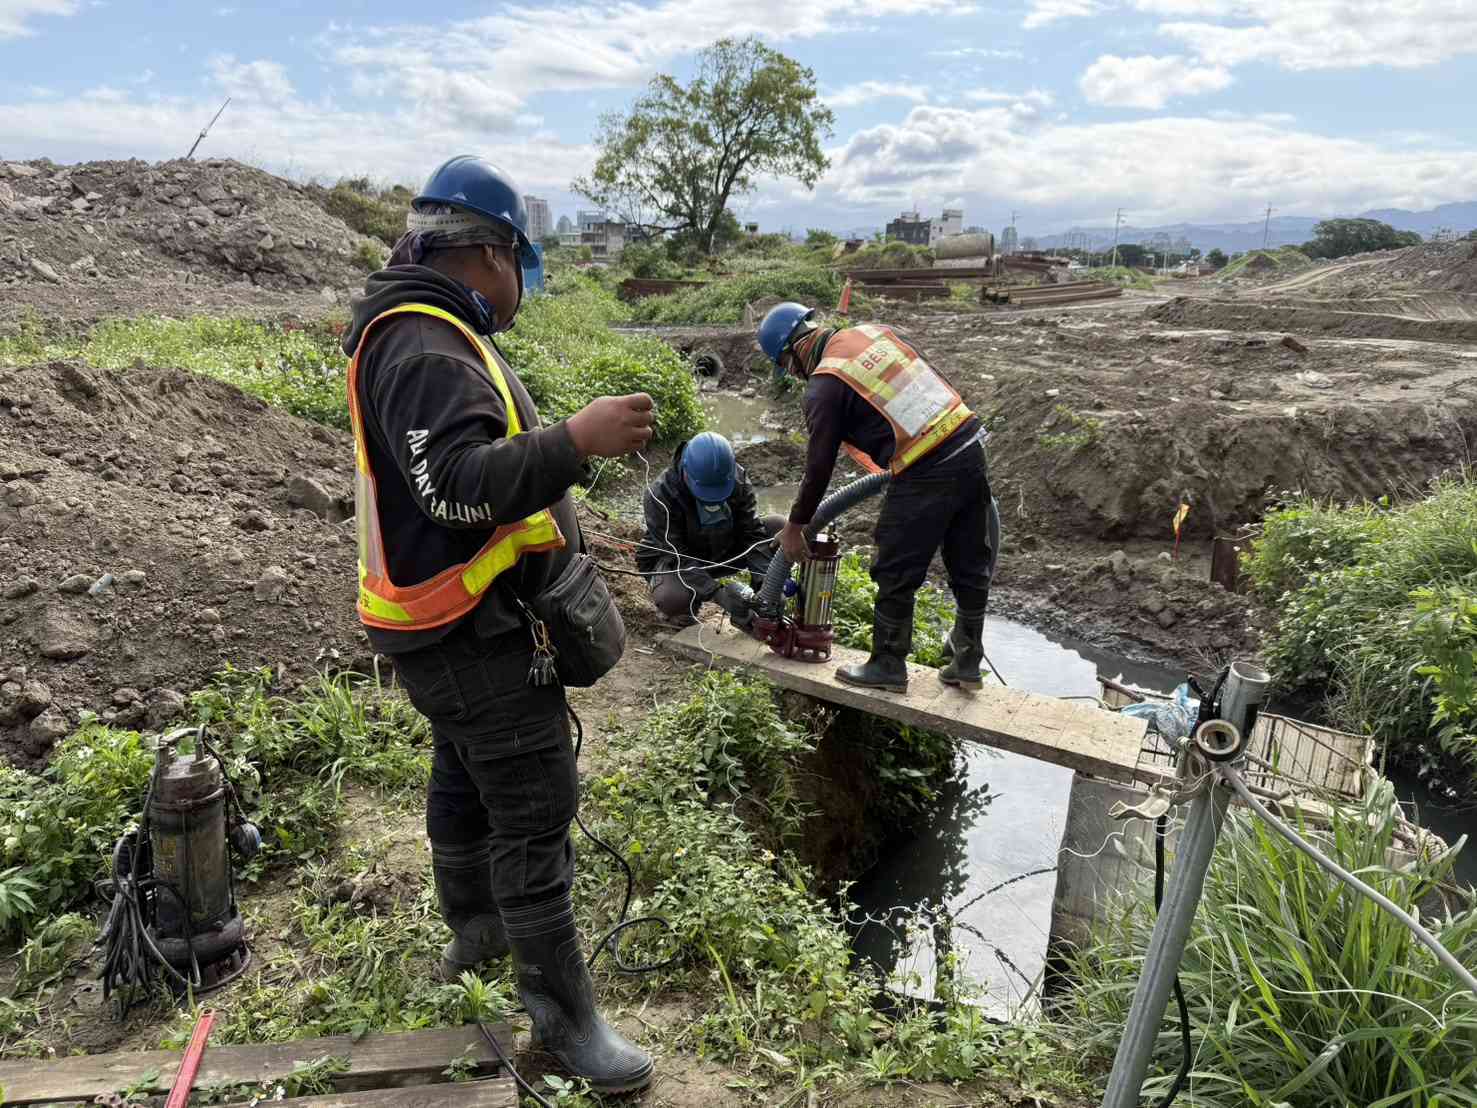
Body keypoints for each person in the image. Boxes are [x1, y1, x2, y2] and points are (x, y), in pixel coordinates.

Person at [342, 155, 653, 1094]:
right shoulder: (428, 346)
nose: (522, 280)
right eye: (519, 259)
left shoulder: (415, 333)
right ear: (485, 253)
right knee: (532, 811)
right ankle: (565, 1028)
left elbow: (457, 465)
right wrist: (573, 441)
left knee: (464, 780)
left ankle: (473, 935)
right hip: (471, 628)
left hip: (436, 624)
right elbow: (458, 489)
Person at [757, 301, 996, 693]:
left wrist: (795, 526)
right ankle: (967, 660)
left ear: (790, 356)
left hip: (926, 466)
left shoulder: (825, 384)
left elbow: (818, 467)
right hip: (967, 442)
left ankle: (887, 664)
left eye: (786, 366)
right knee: (968, 560)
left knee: (894, 566)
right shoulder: (870, 333)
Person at [636, 431, 784, 626]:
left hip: (722, 551)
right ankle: (683, 610)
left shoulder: (736, 478)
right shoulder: (661, 494)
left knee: (779, 527)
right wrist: (717, 593)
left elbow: (752, 534)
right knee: (673, 598)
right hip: (677, 561)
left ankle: (762, 605)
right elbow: (677, 555)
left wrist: (765, 581)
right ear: (686, 472)